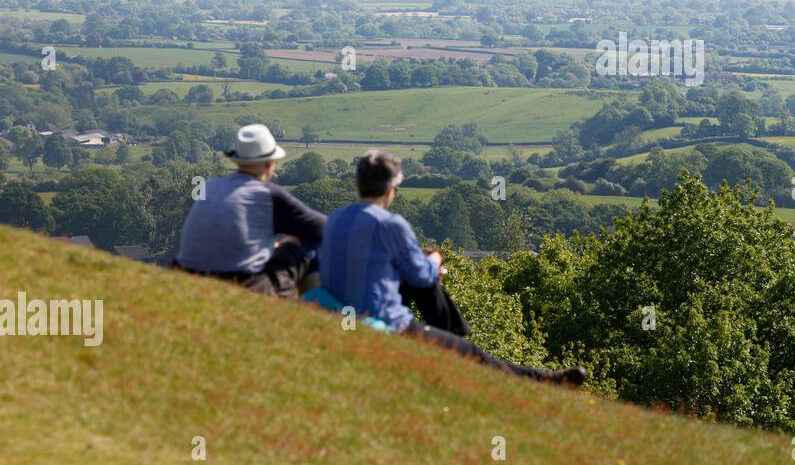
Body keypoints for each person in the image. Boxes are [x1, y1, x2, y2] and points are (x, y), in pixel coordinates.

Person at [318, 150, 585, 386]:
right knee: (471, 353)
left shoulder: (336, 219)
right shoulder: (390, 224)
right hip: (380, 318)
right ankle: (540, 380)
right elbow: (422, 277)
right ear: (390, 189)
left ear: (358, 184)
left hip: (340, 308)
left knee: (422, 283)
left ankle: (455, 337)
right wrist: (435, 260)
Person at [173, 123, 325, 297]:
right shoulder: (267, 194)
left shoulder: (211, 186)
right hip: (242, 284)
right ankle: (312, 310)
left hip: (185, 275)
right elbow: (324, 228)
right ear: (269, 164)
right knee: (309, 244)